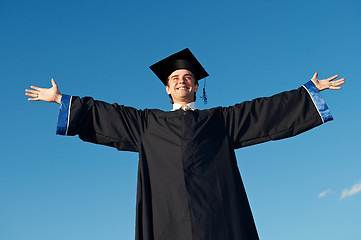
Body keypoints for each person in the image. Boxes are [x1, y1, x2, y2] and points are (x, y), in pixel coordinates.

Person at [25, 48, 345, 240]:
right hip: (167, 218)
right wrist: (62, 100)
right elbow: (106, 114)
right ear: (167, 88)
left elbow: (264, 112)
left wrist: (307, 93)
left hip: (216, 217)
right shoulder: (148, 124)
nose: (181, 80)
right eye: (175, 77)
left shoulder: (219, 121)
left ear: (196, 86)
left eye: (188, 77)